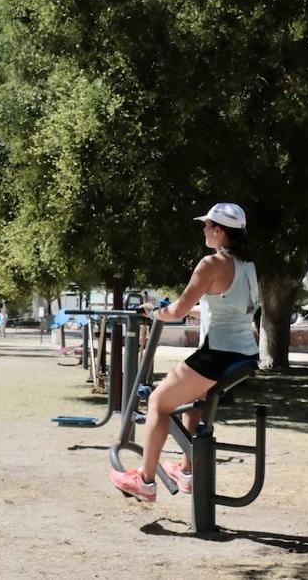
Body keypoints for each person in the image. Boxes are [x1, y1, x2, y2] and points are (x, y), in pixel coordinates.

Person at [109, 202, 260, 502]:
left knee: (158, 401)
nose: (203, 229)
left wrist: (156, 312)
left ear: (218, 230)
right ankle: (187, 471)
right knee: (195, 401)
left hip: (218, 354)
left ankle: (146, 481)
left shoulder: (211, 264)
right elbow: (228, 306)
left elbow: (176, 309)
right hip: (244, 354)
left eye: (206, 225)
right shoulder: (248, 265)